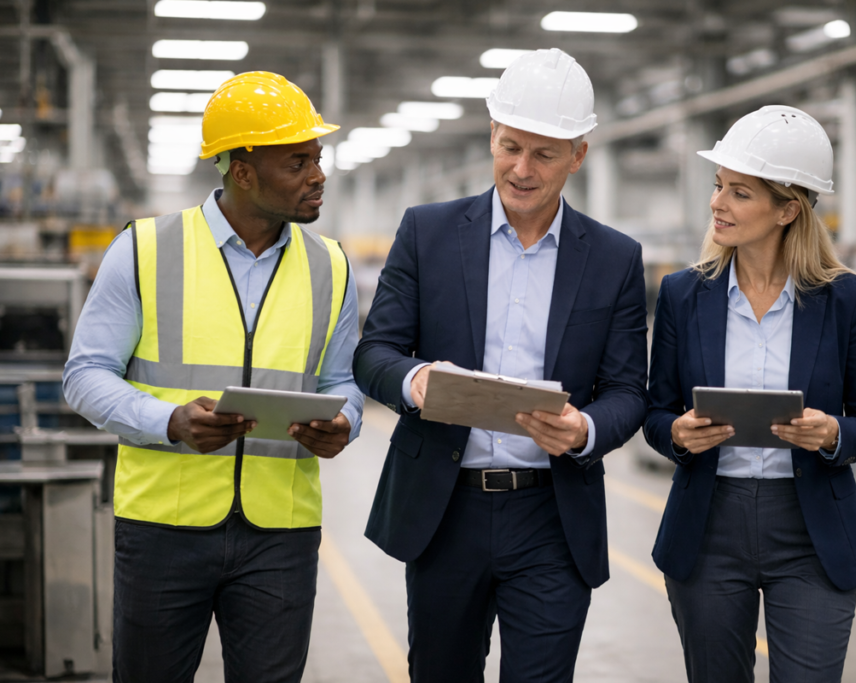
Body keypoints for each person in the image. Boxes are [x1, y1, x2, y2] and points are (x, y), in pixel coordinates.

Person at [354, 48, 648, 683]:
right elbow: (373, 352)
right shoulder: (427, 233)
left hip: (551, 515)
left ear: (578, 154)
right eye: (510, 146)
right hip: (444, 508)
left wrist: (586, 431)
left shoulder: (614, 258)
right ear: (492, 133)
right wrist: (415, 381)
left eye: (544, 154)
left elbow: (628, 390)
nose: (521, 168)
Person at [63, 71, 363, 683]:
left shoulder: (330, 265)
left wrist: (346, 421)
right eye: (297, 162)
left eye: (318, 158)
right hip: (163, 529)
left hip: (280, 532)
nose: (318, 176)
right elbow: (85, 374)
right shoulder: (145, 249)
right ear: (242, 171)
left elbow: (344, 380)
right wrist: (168, 420)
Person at [643, 105, 856, 683]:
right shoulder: (684, 294)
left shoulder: (847, 299)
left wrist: (832, 433)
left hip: (810, 531)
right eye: (718, 187)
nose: (717, 204)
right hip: (709, 525)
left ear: (788, 209)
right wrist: (678, 433)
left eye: (740, 193)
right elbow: (656, 413)